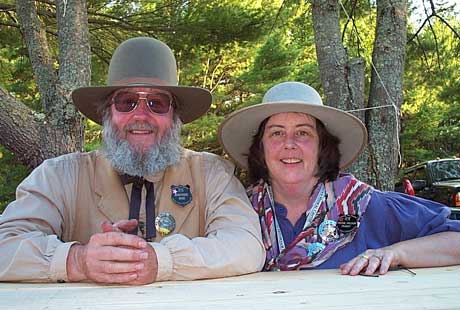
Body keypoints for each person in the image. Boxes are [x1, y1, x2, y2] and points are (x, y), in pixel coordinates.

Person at [0, 37, 264, 284]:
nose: (141, 115)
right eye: (126, 102)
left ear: (174, 117)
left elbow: (247, 245)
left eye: (157, 103)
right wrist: (76, 260)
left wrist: (161, 261)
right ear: (107, 114)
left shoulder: (210, 173)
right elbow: (5, 244)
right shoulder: (59, 176)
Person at [218, 81, 460, 276]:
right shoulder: (236, 211)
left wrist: (396, 253)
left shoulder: (366, 206)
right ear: (261, 148)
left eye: (303, 133)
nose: (289, 144)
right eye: (276, 133)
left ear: (323, 146)